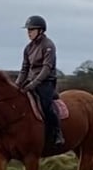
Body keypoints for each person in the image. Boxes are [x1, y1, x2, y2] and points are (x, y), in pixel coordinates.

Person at [15, 15, 65, 146]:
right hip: (30, 81)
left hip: (45, 82)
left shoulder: (48, 45)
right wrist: (16, 85)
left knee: (46, 107)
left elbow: (46, 69)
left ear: (41, 31)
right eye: (28, 30)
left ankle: (57, 133)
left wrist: (33, 84)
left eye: (31, 30)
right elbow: (24, 69)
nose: (28, 33)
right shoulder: (28, 48)